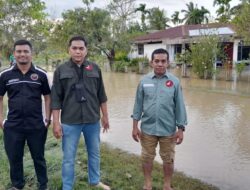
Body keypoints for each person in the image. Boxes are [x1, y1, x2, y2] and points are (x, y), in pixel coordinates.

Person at [51, 36, 110, 190]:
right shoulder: (61, 70)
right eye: (74, 48)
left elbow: (101, 95)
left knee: (95, 153)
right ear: (69, 50)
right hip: (70, 121)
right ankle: (67, 186)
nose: (78, 51)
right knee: (69, 158)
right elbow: (56, 99)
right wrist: (56, 123)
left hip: (92, 120)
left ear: (86, 50)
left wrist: (105, 116)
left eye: (81, 48)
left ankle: (95, 181)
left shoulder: (95, 68)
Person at [131, 48, 187, 190]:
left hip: (168, 130)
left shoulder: (174, 82)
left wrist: (180, 129)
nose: (160, 64)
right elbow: (138, 105)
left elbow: (180, 107)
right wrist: (134, 126)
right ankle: (148, 184)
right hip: (147, 129)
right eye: (157, 61)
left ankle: (167, 186)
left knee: (168, 159)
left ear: (168, 63)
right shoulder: (144, 81)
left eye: (163, 61)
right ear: (151, 63)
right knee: (146, 158)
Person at [0, 40, 51, 190]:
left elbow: (48, 97)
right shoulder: (5, 75)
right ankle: (18, 185)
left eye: (25, 51)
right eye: (19, 51)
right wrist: (1, 120)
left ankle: (43, 185)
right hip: (13, 125)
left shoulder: (41, 74)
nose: (22, 54)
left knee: (39, 158)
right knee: (14, 158)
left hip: (36, 125)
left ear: (31, 54)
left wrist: (47, 119)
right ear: (14, 54)